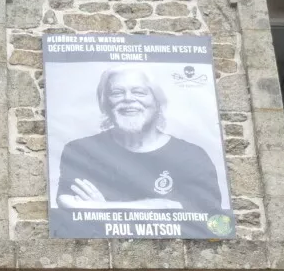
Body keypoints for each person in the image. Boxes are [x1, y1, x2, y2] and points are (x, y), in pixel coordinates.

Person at [55, 67, 222, 212]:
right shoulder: (81, 150)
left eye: (139, 92)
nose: (128, 98)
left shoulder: (192, 156)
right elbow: (67, 202)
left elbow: (203, 209)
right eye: (117, 92)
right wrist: (154, 205)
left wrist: (100, 208)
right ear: (105, 103)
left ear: (157, 102)